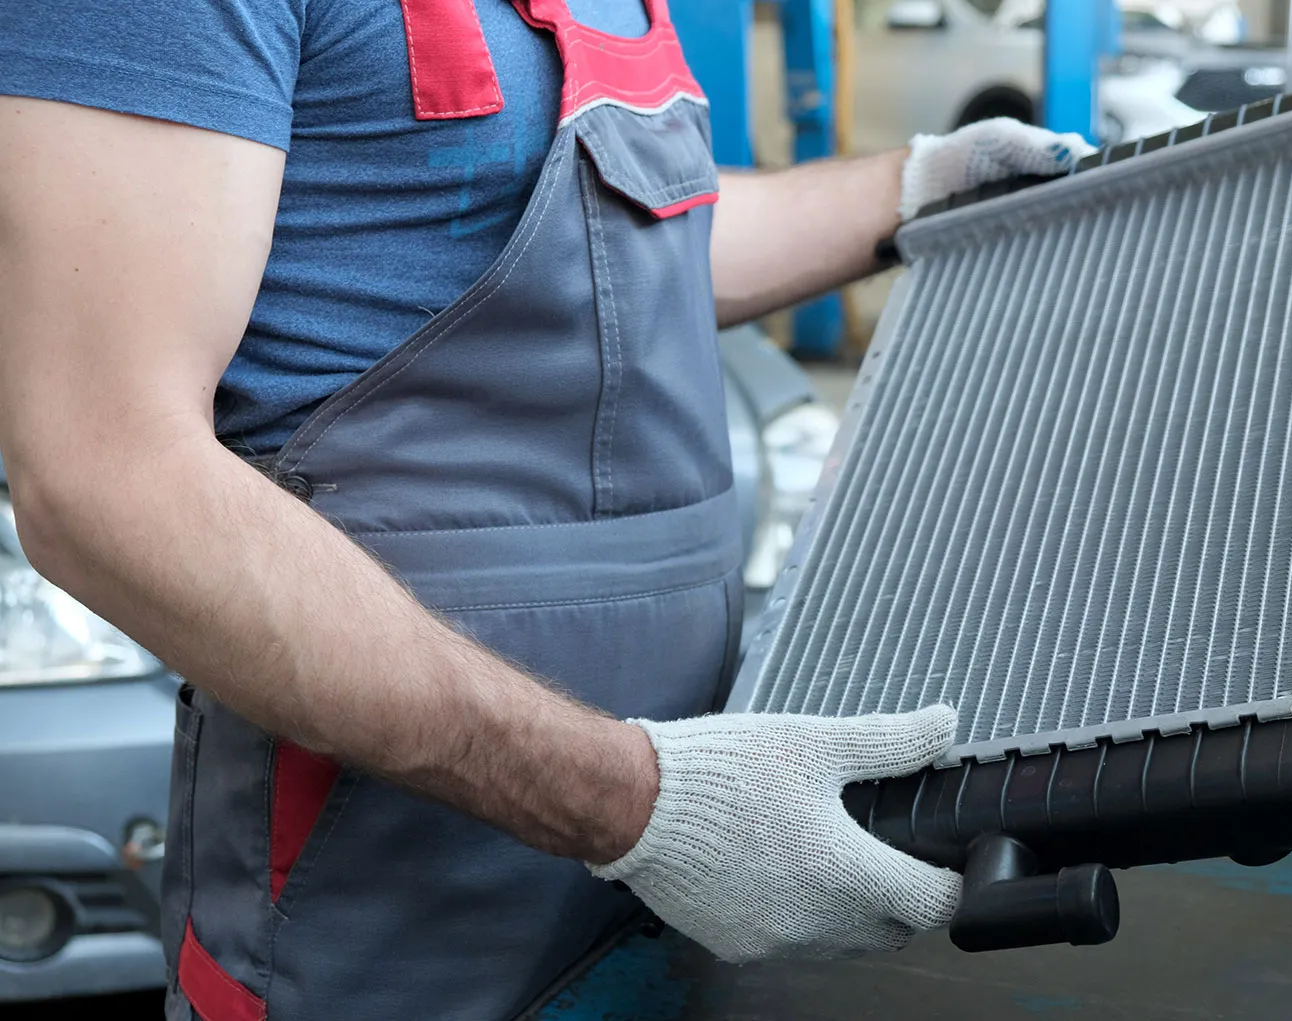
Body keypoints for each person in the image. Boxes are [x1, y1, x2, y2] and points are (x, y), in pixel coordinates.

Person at [0, 1, 1090, 1017]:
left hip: (687, 845)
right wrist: (638, 805)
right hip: (388, 892)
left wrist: (913, 185)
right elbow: (107, 475)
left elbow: (632, 248)